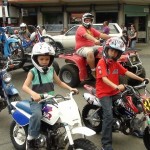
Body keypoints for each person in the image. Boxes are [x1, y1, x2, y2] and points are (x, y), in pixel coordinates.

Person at [22, 42, 78, 150]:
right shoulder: (32, 72)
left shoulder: (51, 70)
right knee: (37, 115)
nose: (44, 62)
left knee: (60, 114)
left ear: (50, 60)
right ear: (36, 59)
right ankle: (30, 138)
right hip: (37, 101)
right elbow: (24, 86)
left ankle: (53, 135)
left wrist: (70, 88)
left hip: (50, 99)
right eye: (41, 59)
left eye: (47, 59)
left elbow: (60, 82)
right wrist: (34, 94)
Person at [96, 37, 149, 150]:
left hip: (115, 92)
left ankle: (134, 129)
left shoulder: (116, 63)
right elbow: (104, 78)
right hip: (104, 93)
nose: (113, 54)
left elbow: (127, 72)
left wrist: (142, 79)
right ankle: (106, 144)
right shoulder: (102, 62)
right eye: (112, 51)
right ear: (106, 50)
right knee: (108, 116)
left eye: (116, 52)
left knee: (131, 106)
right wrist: (116, 86)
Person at [75, 13, 110, 78]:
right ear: (83, 20)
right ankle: (93, 72)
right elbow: (86, 35)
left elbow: (101, 35)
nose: (88, 22)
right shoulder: (80, 28)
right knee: (90, 53)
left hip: (92, 46)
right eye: (86, 20)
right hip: (81, 48)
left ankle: (104, 67)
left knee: (106, 49)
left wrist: (112, 37)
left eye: (90, 20)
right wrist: (95, 40)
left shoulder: (91, 29)